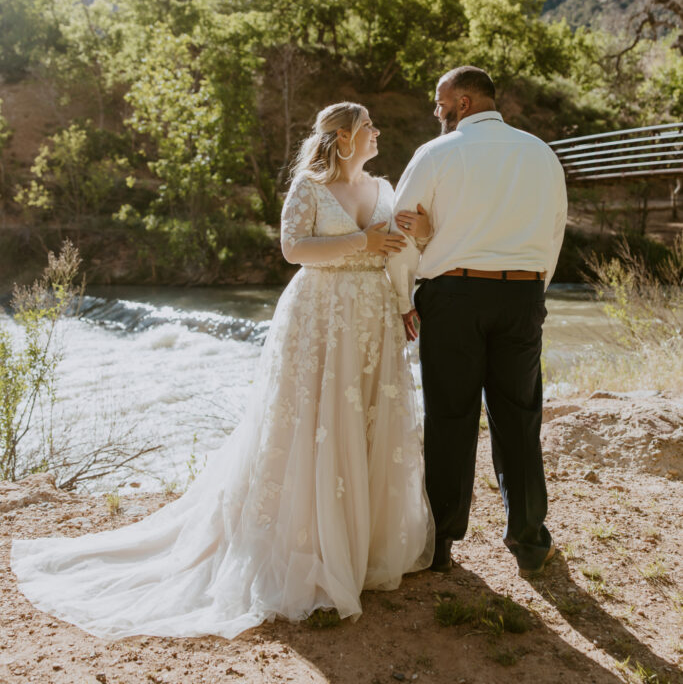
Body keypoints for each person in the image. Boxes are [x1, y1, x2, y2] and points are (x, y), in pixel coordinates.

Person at [12, 102, 434, 639]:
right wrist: (362, 242)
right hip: (318, 315)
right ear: (345, 138)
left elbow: (398, 252)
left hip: (372, 317)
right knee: (310, 421)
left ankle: (361, 548)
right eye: (369, 126)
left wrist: (403, 298)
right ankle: (309, 551)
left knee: (366, 420)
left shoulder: (385, 188)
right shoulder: (307, 186)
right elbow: (293, 249)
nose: (378, 132)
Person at [387, 66, 567, 578]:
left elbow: (401, 225)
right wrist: (533, 292)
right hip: (522, 295)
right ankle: (530, 543)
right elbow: (554, 234)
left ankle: (440, 545)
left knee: (450, 418)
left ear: (463, 103)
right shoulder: (540, 153)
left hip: (453, 297)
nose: (435, 111)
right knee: (519, 419)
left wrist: (404, 298)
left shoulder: (437, 153)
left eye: (439, 101)